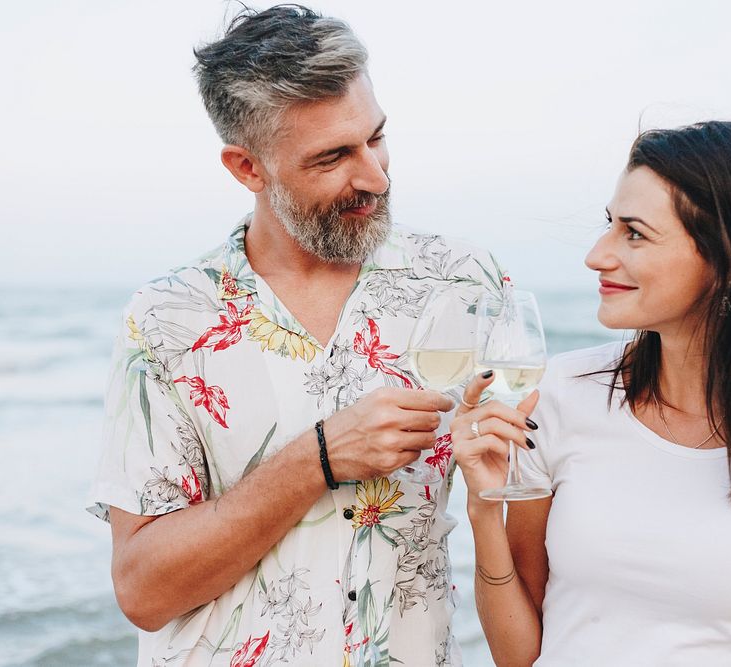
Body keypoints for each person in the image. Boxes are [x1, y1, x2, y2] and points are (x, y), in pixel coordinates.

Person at [87, 5, 506, 666]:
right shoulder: (167, 319)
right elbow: (142, 588)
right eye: (334, 156)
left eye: (377, 137)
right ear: (247, 168)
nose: (375, 175)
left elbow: (531, 508)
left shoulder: (462, 283)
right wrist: (317, 458)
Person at [451, 121, 731, 666]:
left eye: (634, 232)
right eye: (609, 224)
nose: (596, 255)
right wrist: (484, 510)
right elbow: (520, 656)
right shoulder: (559, 395)